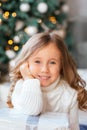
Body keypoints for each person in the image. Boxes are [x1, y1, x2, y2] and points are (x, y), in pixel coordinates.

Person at [7, 31, 87, 130]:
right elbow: (32, 110)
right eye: (37, 61)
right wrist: (29, 79)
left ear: (61, 65)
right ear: (26, 64)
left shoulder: (69, 94)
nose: (44, 69)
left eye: (52, 62)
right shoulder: (22, 86)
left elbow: (73, 127)